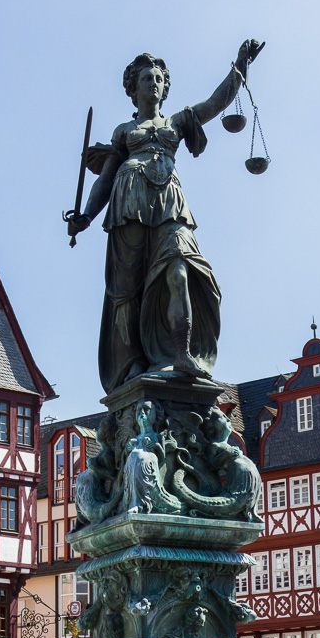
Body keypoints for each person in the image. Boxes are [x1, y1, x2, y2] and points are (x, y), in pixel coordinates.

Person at [66, 41, 264, 394]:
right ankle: (133, 362)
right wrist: (85, 217)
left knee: (180, 270)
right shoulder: (123, 131)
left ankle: (182, 353)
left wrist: (240, 66)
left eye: (159, 78)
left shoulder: (178, 121)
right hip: (128, 201)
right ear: (134, 87)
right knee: (127, 290)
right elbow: (105, 180)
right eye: (147, 78)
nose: (154, 83)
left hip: (169, 202)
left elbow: (217, 103)